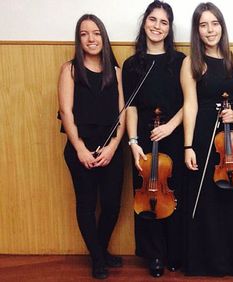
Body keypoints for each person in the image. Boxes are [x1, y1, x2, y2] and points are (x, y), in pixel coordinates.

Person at [180, 2, 233, 277]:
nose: (210, 30)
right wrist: (188, 146)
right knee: (208, 201)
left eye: (214, 23)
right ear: (197, 31)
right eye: (203, 25)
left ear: (222, 27)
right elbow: (190, 105)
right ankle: (207, 262)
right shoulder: (191, 62)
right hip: (204, 137)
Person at [58, 14, 125, 279]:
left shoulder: (116, 71)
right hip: (80, 149)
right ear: (79, 39)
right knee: (86, 205)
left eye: (96, 33)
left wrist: (112, 147)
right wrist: (81, 149)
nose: (91, 38)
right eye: (84, 34)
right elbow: (66, 112)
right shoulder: (71, 69)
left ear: (103, 36)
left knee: (111, 205)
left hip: (111, 148)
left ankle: (100, 249)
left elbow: (123, 113)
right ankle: (98, 259)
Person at [122, 1, 186, 278]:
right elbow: (131, 106)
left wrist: (171, 126)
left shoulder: (180, 61)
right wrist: (133, 142)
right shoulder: (132, 64)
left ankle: (175, 252)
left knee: (174, 193)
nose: (157, 26)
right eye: (153, 19)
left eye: (163, 22)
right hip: (144, 139)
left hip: (173, 134)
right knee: (147, 197)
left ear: (169, 28)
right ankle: (154, 255)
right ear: (144, 22)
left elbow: (190, 102)